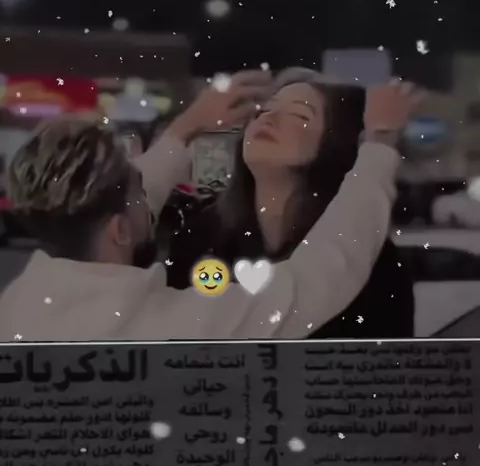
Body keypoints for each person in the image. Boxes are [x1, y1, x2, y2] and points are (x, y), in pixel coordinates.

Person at [0, 70, 419, 341]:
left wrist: (186, 127)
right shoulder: (167, 318)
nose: (266, 118)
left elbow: (104, 198)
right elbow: (321, 276)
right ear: (120, 231)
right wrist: (380, 144)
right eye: (140, 195)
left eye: (299, 115)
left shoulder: (21, 303)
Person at [167, 69, 418, 338]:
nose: (269, 118)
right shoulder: (201, 236)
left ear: (339, 143)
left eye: (299, 115)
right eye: (264, 110)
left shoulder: (372, 261)